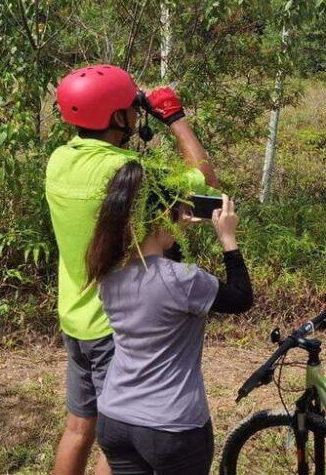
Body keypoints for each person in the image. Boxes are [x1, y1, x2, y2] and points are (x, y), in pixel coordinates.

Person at [46, 64, 219, 475]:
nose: (136, 113)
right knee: (116, 446)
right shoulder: (133, 175)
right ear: (118, 118)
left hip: (75, 318)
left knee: (77, 429)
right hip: (119, 325)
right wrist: (174, 118)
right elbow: (208, 186)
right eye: (130, 108)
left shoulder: (58, 160)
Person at [85, 163, 252, 475]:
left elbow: (157, 273)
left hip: (115, 418)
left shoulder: (108, 276)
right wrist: (228, 238)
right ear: (164, 216)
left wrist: (174, 231)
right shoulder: (183, 280)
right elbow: (241, 298)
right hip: (172, 425)